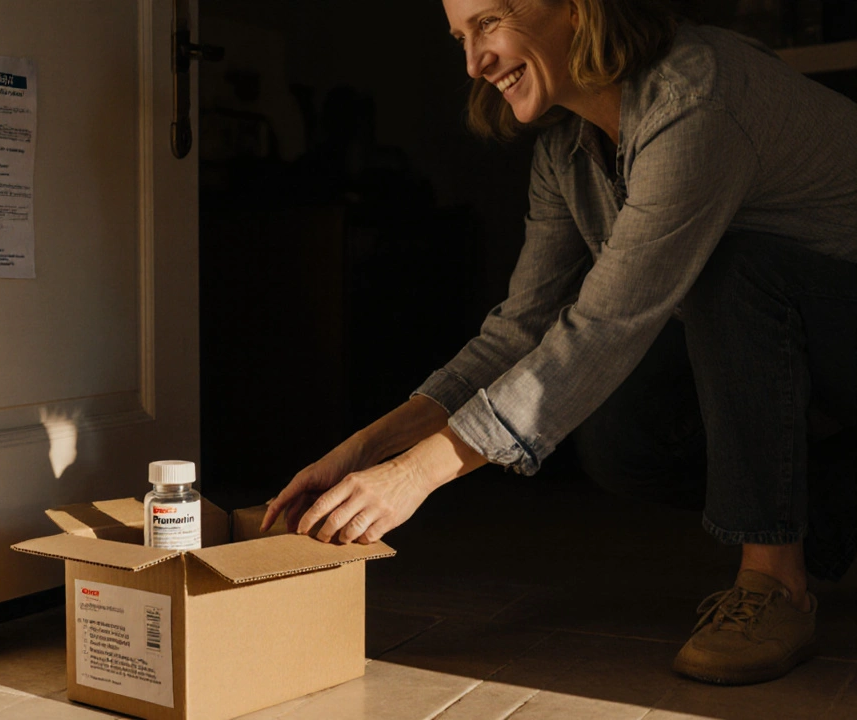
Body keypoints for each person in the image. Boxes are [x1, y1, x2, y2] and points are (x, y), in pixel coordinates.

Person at [261, 0, 857, 686]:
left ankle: (775, 580)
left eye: (489, 23)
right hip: (802, 341)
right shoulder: (567, 152)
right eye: (460, 38)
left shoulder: (698, 96)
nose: (473, 64)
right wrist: (367, 448)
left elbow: (607, 324)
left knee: (729, 269)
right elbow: (519, 331)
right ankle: (823, 508)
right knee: (621, 434)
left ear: (577, 8)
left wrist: (416, 475)